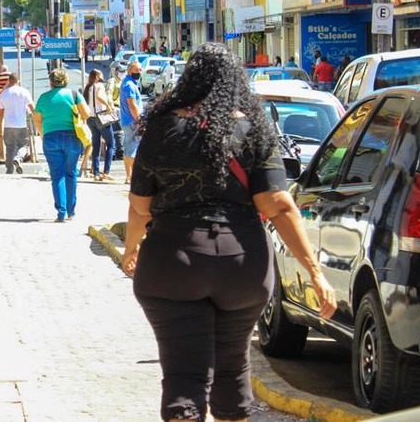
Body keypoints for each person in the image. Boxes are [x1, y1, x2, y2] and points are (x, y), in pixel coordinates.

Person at [122, 42, 337, 422]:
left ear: (189, 78)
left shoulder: (161, 127)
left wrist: (130, 248)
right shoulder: (253, 127)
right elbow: (279, 205)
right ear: (235, 80)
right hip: (244, 263)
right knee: (233, 370)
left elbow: (140, 205)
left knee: (184, 378)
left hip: (174, 260)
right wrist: (315, 272)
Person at [33, 69, 91, 222]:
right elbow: (87, 114)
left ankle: (61, 213)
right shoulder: (74, 95)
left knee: (57, 175)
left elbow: (37, 121)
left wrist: (42, 134)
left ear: (51, 81)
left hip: (51, 137)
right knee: (71, 173)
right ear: (66, 80)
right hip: (72, 136)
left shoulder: (43, 98)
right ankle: (72, 211)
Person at [0, 73, 34, 174]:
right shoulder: (24, 92)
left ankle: (9, 170)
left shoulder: (3, 95)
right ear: (18, 81)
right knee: (24, 145)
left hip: (8, 125)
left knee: (9, 147)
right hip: (21, 125)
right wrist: (38, 120)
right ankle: (18, 158)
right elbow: (32, 108)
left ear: (9, 81)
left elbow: (0, 114)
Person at [84, 69, 116, 181]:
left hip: (91, 117)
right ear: (97, 76)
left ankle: (96, 173)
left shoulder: (88, 87)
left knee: (96, 145)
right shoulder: (100, 86)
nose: (103, 75)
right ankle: (106, 172)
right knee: (111, 144)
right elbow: (99, 96)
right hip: (101, 117)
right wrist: (108, 106)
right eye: (101, 74)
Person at [120, 60, 143, 184]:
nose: (140, 72)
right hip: (131, 121)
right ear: (130, 71)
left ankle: (130, 175)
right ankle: (130, 176)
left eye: (140, 70)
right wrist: (139, 120)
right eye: (137, 70)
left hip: (129, 121)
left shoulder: (129, 83)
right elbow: (132, 104)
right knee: (131, 149)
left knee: (131, 147)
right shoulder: (129, 85)